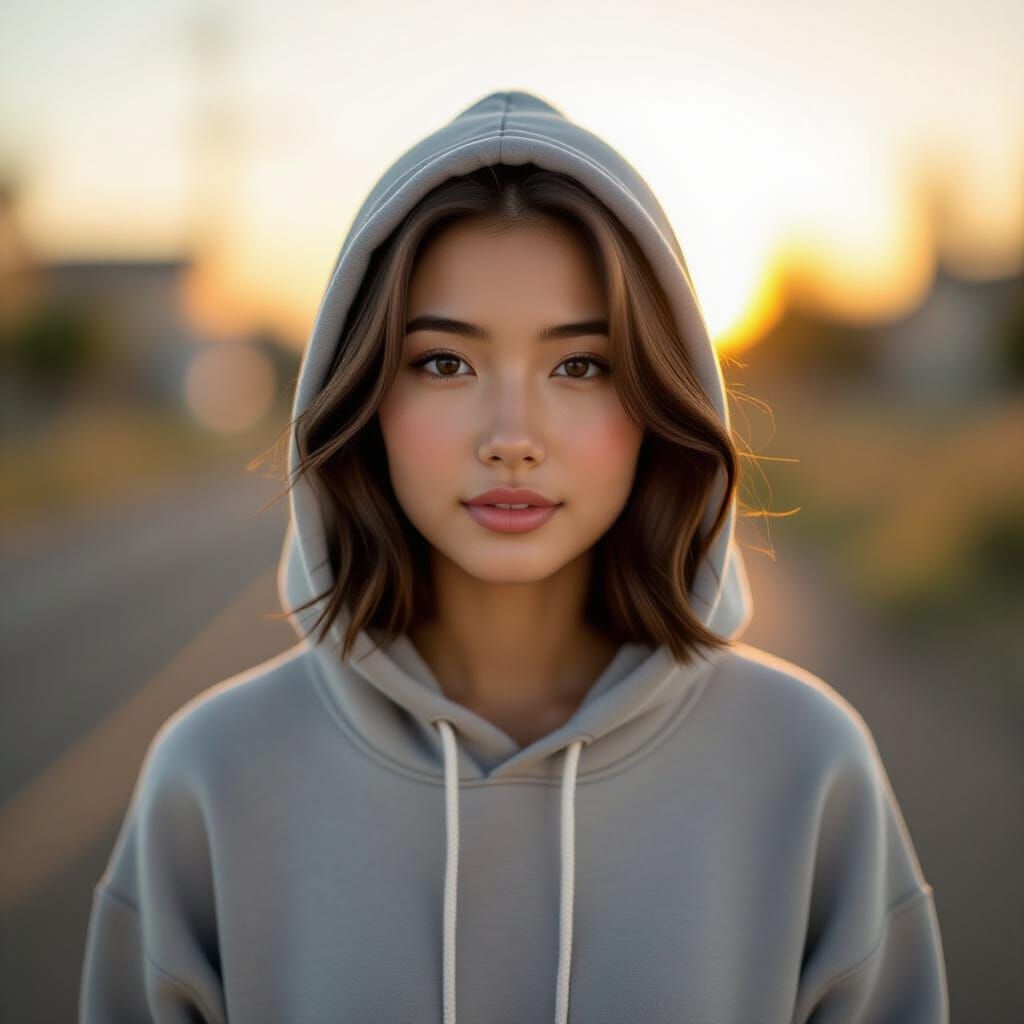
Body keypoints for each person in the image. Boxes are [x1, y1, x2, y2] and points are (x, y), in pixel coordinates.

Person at [79, 89, 949, 1023]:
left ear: (660, 396)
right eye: (444, 363)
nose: (512, 437)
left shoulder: (807, 766)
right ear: (363, 393)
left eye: (580, 366)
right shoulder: (212, 776)